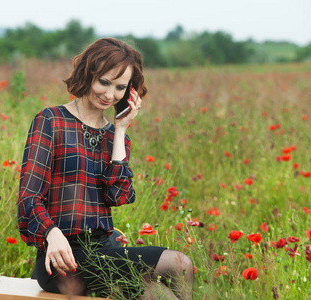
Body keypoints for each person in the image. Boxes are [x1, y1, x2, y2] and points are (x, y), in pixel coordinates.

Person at [17, 38, 194, 299]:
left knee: (157, 293)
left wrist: (120, 130)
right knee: (179, 264)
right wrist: (51, 234)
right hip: (62, 260)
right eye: (104, 82)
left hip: (103, 249)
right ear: (88, 74)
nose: (110, 95)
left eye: (120, 87)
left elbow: (118, 196)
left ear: (130, 92)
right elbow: (28, 199)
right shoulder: (51, 121)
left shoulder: (115, 137)